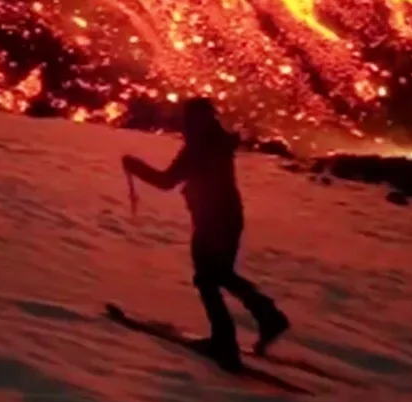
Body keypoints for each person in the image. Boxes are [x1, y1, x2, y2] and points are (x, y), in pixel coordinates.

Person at [122, 98, 290, 370]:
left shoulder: (198, 148)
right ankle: (268, 317)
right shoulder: (218, 143)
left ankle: (225, 341)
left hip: (212, 220)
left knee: (207, 278)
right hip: (229, 217)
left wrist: (134, 165)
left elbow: (166, 182)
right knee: (220, 274)